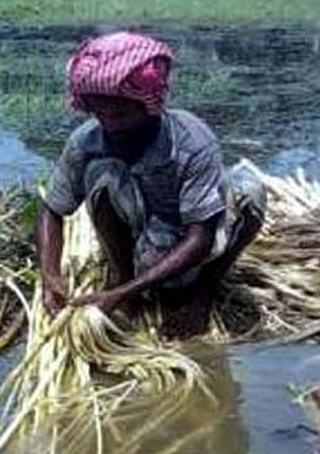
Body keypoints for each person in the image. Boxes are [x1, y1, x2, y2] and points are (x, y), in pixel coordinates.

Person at [36, 32, 266, 337]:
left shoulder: (191, 141)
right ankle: (121, 275)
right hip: (140, 226)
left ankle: (202, 297)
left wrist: (128, 294)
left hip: (189, 231)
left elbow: (201, 237)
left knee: (251, 193)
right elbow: (52, 209)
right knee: (99, 175)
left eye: (120, 113)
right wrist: (49, 275)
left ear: (149, 105)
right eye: (99, 113)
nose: (109, 123)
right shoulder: (88, 141)